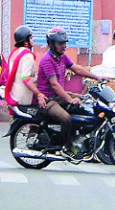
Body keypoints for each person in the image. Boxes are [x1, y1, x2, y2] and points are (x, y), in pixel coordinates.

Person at [37, 27, 108, 157]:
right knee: (66, 118)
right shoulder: (46, 60)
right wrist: (69, 99)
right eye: (60, 44)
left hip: (59, 96)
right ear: (51, 44)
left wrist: (96, 77)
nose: (64, 46)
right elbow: (55, 85)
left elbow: (77, 69)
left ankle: (79, 139)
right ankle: (66, 147)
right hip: (49, 100)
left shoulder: (62, 57)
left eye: (65, 43)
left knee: (85, 102)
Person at [5, 25, 46, 108]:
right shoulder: (27, 56)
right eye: (31, 38)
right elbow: (25, 78)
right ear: (26, 42)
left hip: (14, 94)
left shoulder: (14, 53)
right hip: (24, 98)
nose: (33, 40)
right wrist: (39, 94)